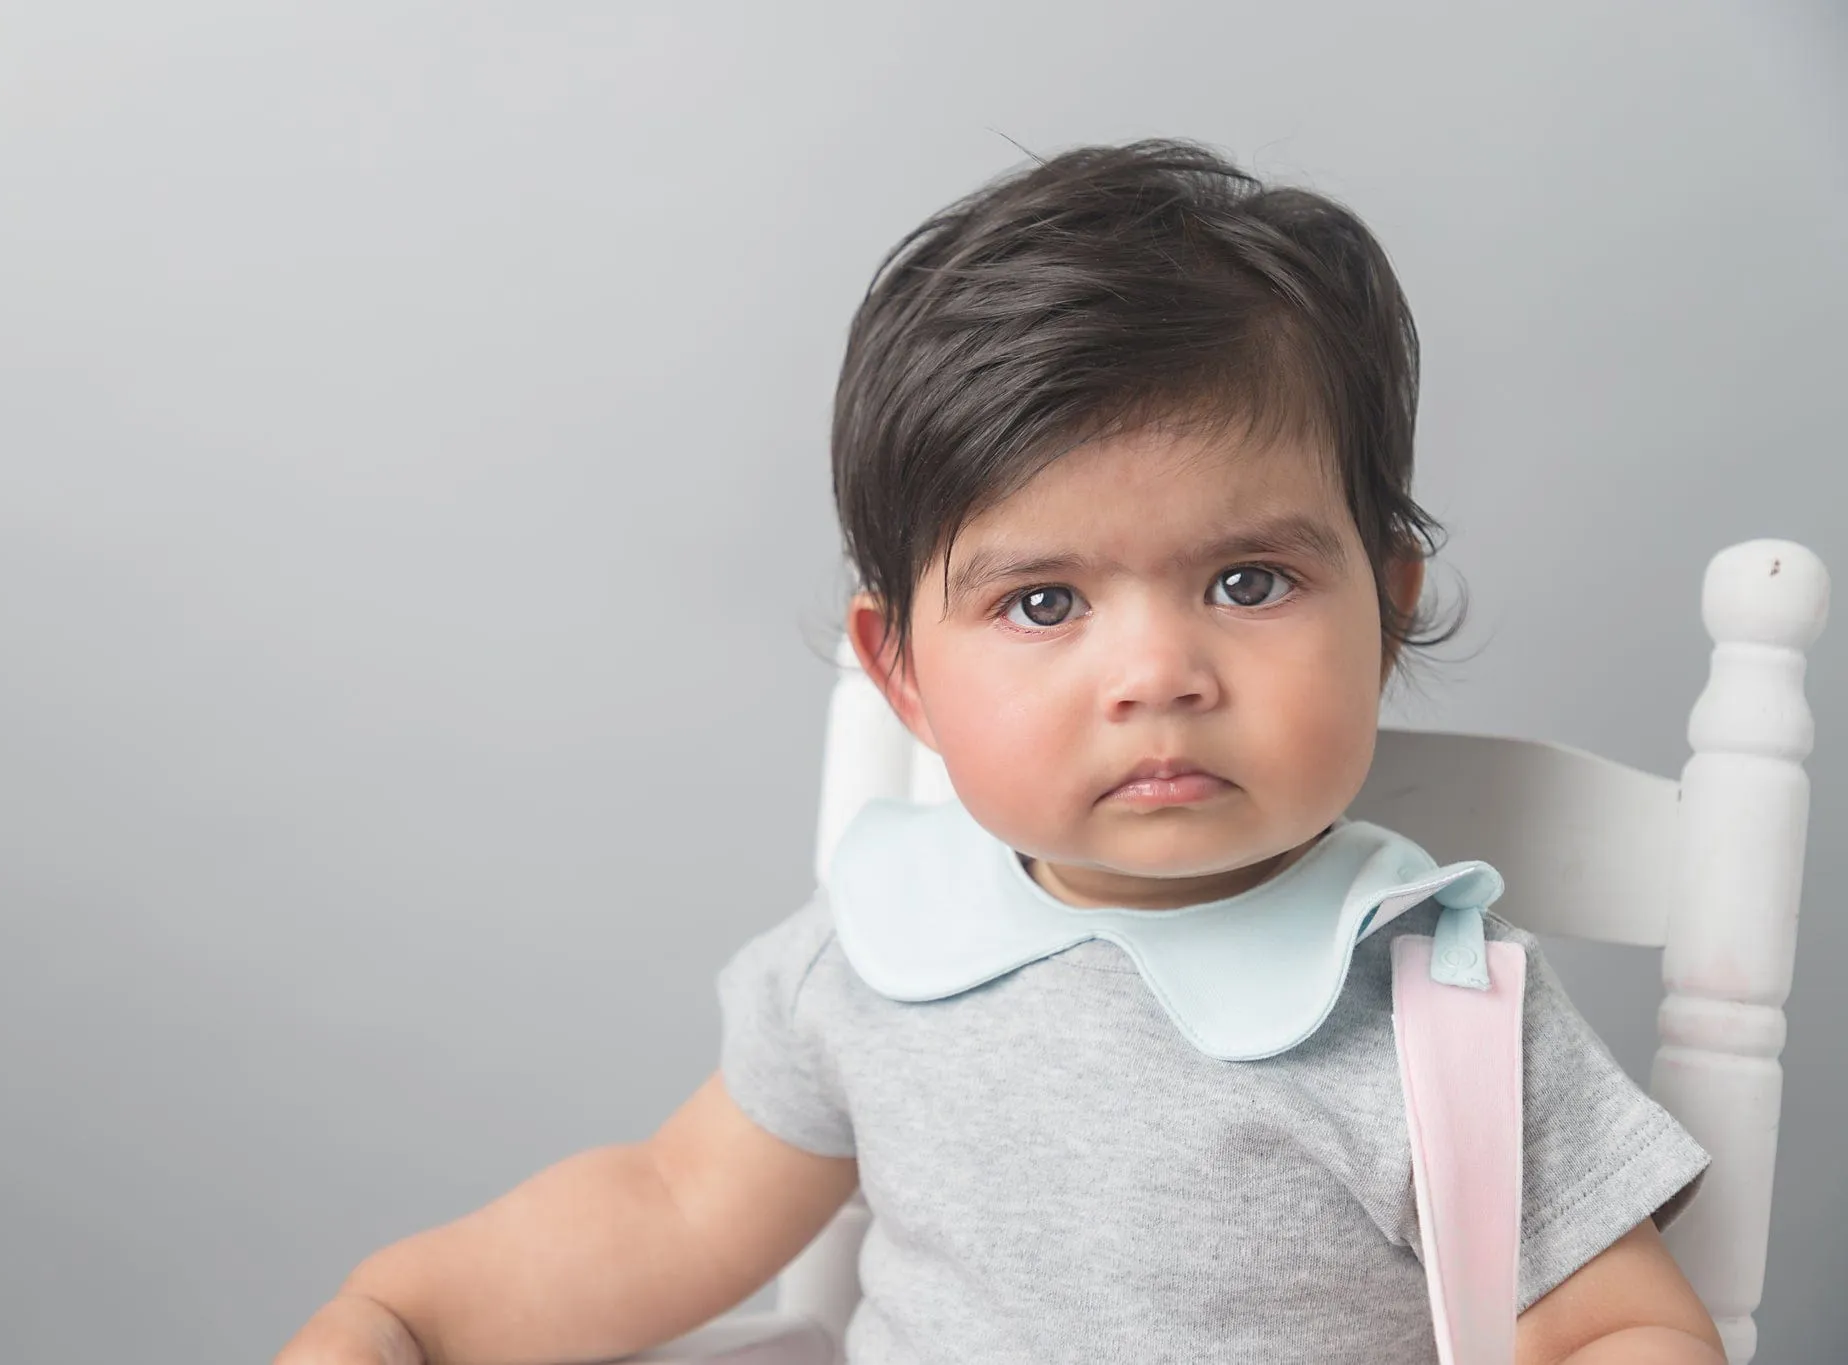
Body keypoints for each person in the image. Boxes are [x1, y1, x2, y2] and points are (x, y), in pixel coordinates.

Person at [275, 140, 1724, 1365]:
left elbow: (1620, 1328)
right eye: (1044, 602)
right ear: (900, 669)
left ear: (1387, 605)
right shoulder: (886, 950)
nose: (1158, 673)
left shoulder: (1429, 1012)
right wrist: (408, 1318)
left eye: (1248, 583)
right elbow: (669, 1205)